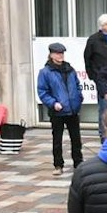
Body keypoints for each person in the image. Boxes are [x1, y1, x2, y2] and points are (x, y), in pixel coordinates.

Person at [38, 42, 84, 175]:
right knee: (57, 139)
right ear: (51, 55)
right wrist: (53, 103)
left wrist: (79, 98)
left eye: (62, 53)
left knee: (76, 139)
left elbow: (77, 85)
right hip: (57, 111)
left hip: (72, 110)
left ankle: (78, 163)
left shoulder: (70, 69)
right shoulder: (45, 72)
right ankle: (58, 165)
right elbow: (43, 92)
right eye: (58, 53)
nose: (60, 56)